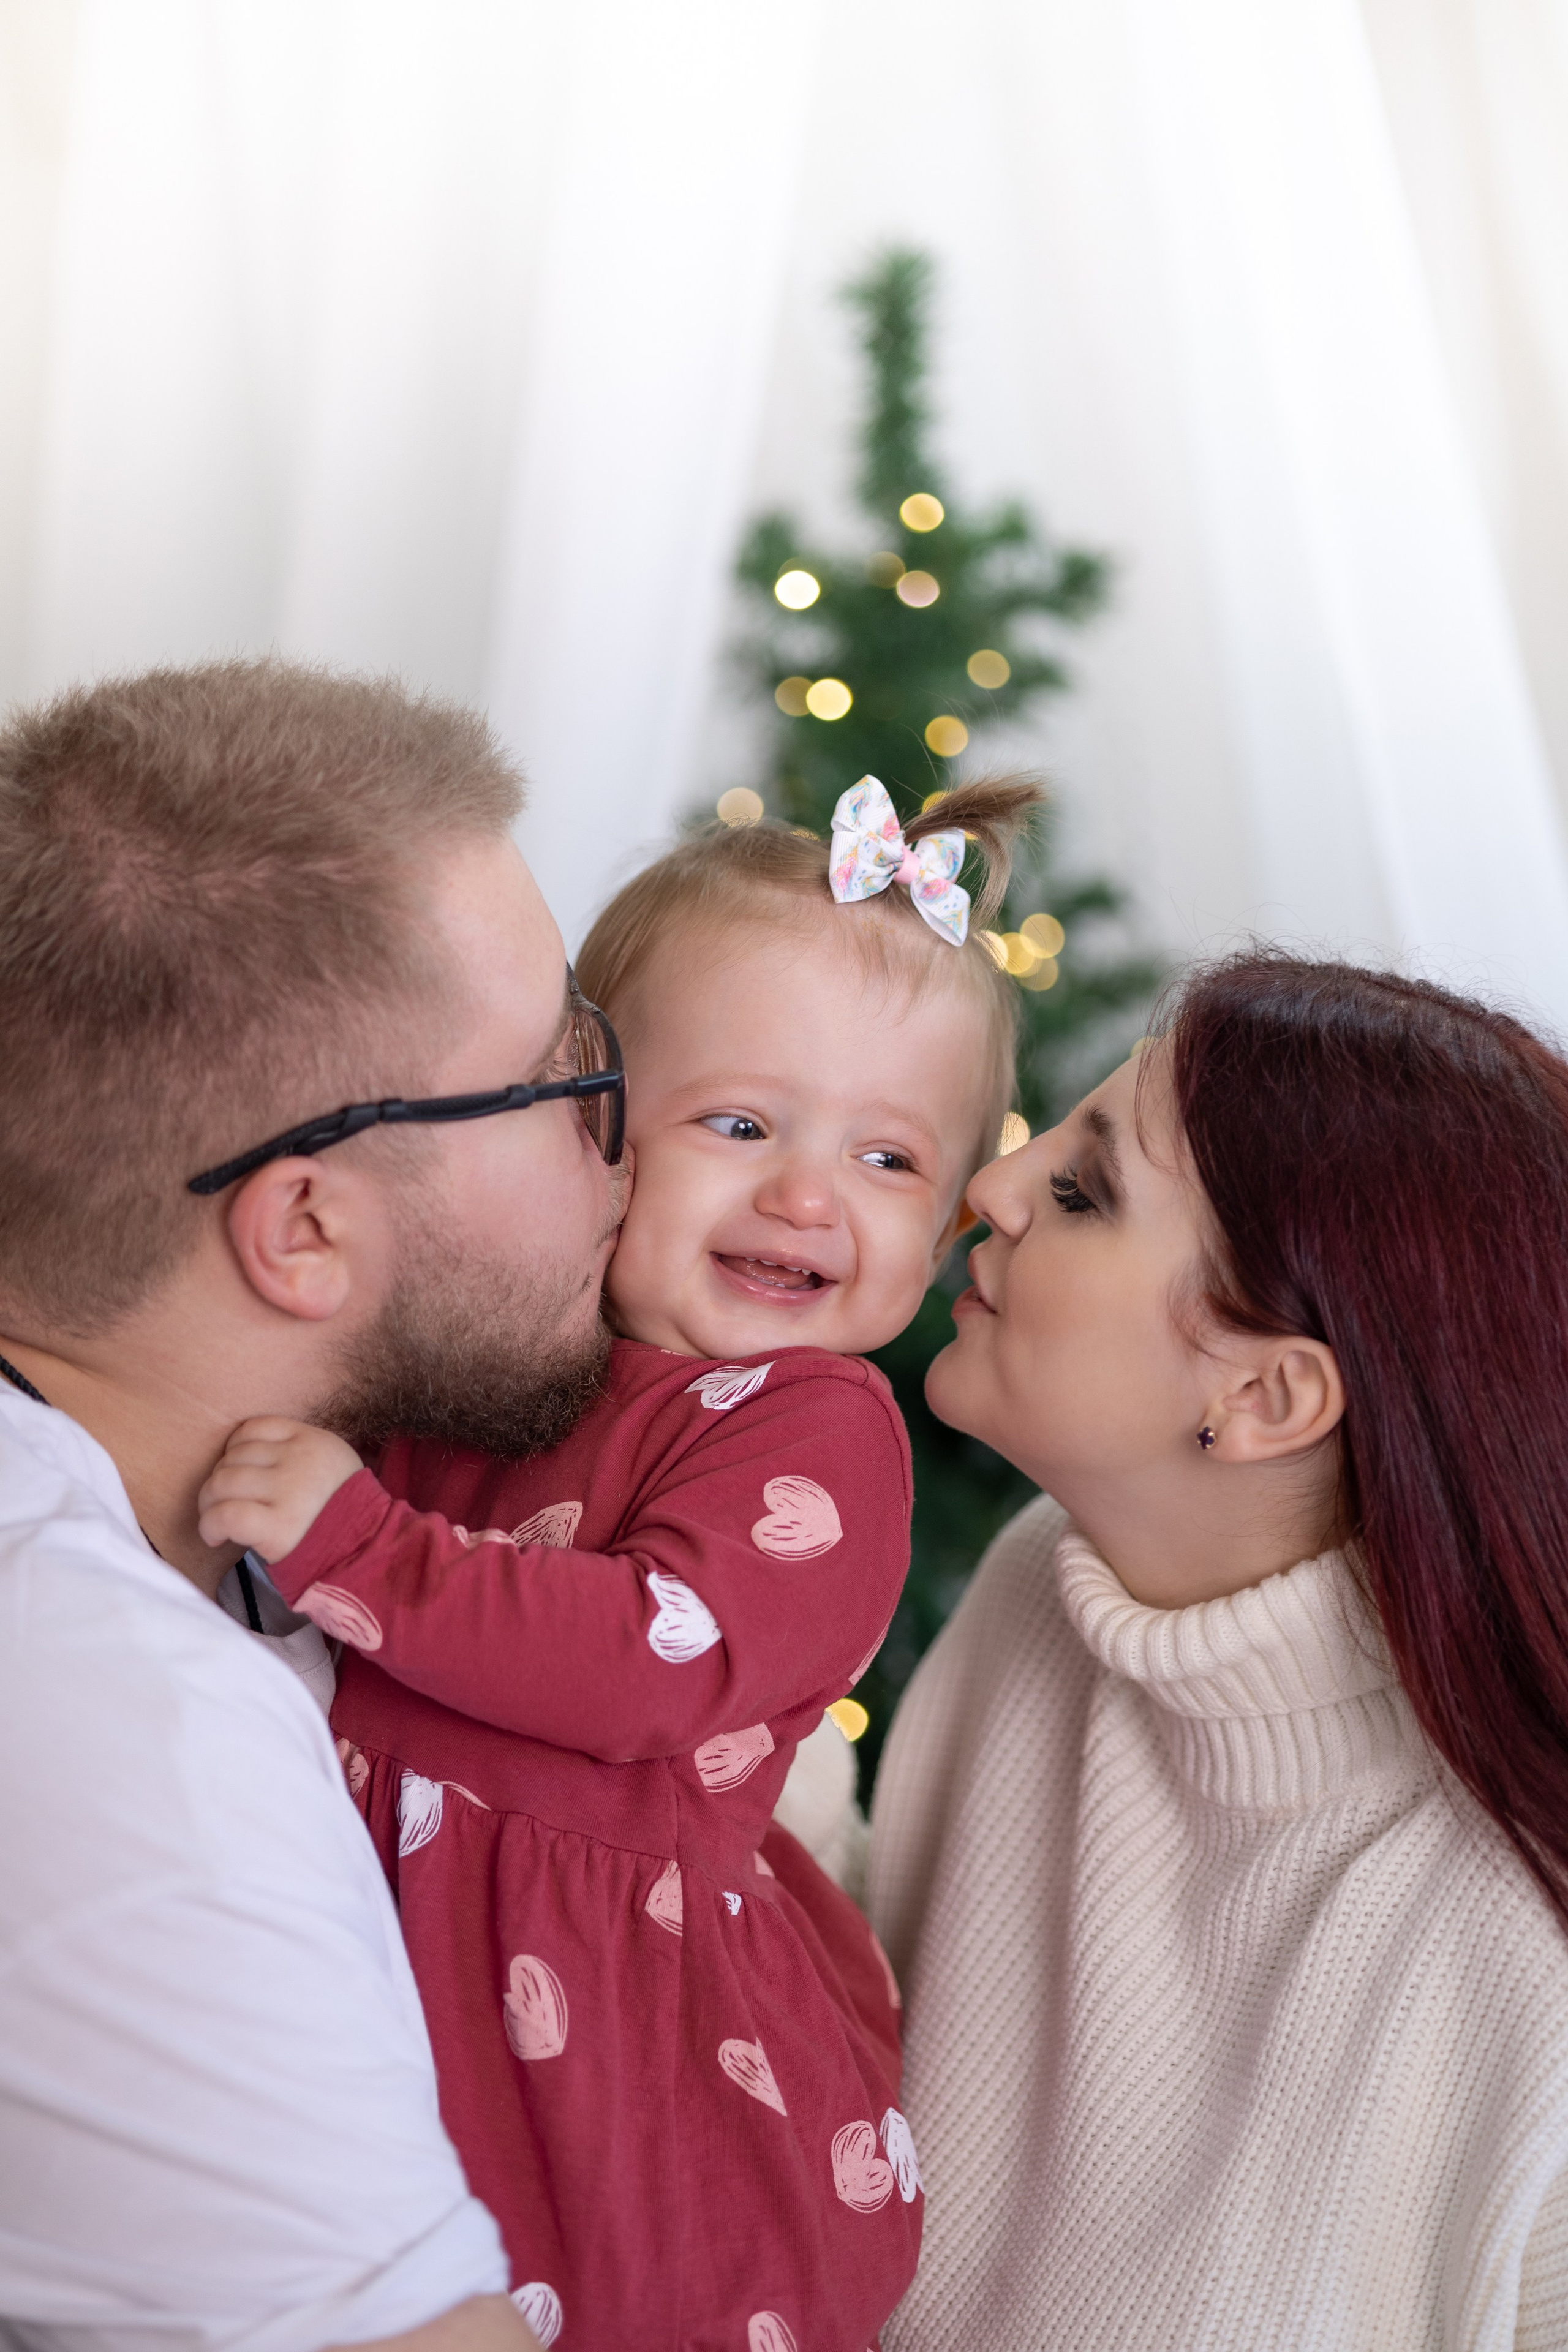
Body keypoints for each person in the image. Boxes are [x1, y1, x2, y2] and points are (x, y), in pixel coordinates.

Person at [192, 778, 1041, 2352]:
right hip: (376, 1930)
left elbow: (654, 1653)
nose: (805, 1195)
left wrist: (356, 1545)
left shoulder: (815, 1426)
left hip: (614, 2030)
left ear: (934, 1238)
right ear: (595, 1134)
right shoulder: (513, 1355)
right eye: (739, 1125)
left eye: (885, 1161)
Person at [0, 658, 628, 2352]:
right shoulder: (129, 1742)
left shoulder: (192, 1532)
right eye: (555, 1075)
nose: (620, 1140)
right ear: (304, 1233)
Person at [867, 953, 1568, 2350]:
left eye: (1079, 1192)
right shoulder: (1045, 1590)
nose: (992, 1190)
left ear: (1263, 1395)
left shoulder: (1516, 1980)